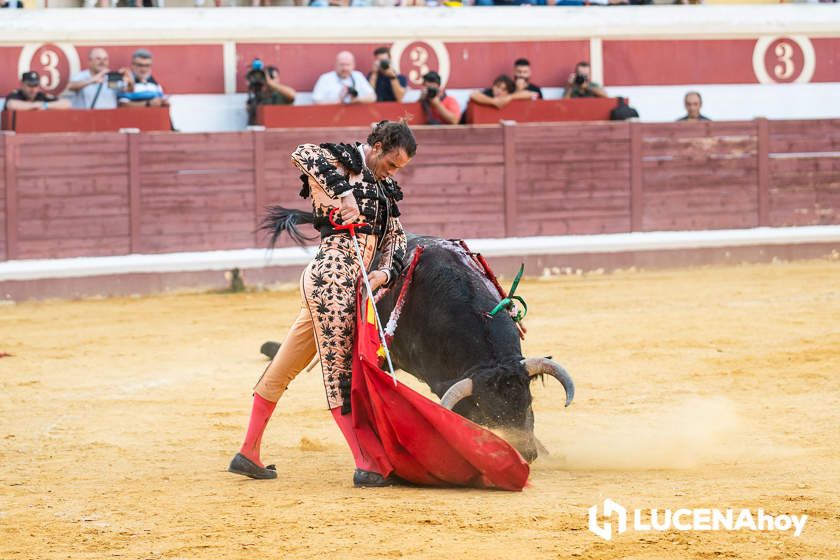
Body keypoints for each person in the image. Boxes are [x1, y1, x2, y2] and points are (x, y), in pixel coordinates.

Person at [229, 120, 416, 487]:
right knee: (341, 372)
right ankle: (365, 462)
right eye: (391, 163)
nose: (393, 172)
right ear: (376, 147)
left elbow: (396, 238)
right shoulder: (343, 161)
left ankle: (248, 451)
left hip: (352, 283)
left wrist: (385, 274)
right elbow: (303, 153)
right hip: (331, 277)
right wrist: (344, 193)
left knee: (282, 368)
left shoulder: (386, 189)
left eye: (399, 169)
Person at [244, 58, 296, 126]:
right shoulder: (258, 97)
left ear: (278, 78)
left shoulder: (282, 95)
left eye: (272, 77)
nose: (269, 81)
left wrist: (270, 83)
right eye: (267, 78)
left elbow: (292, 94)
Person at [4, 71, 71, 112]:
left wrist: (45, 105)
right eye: (30, 85)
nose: (33, 89)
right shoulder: (16, 94)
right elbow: (11, 105)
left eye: (35, 85)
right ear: (22, 84)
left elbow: (67, 104)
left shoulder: (40, 95)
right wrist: (35, 105)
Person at [468, 74, 533, 109]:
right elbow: (473, 94)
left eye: (504, 89)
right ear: (493, 86)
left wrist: (510, 97)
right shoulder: (488, 92)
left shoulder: (509, 96)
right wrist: (493, 101)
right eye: (497, 87)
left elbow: (530, 94)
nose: (499, 91)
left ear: (508, 92)